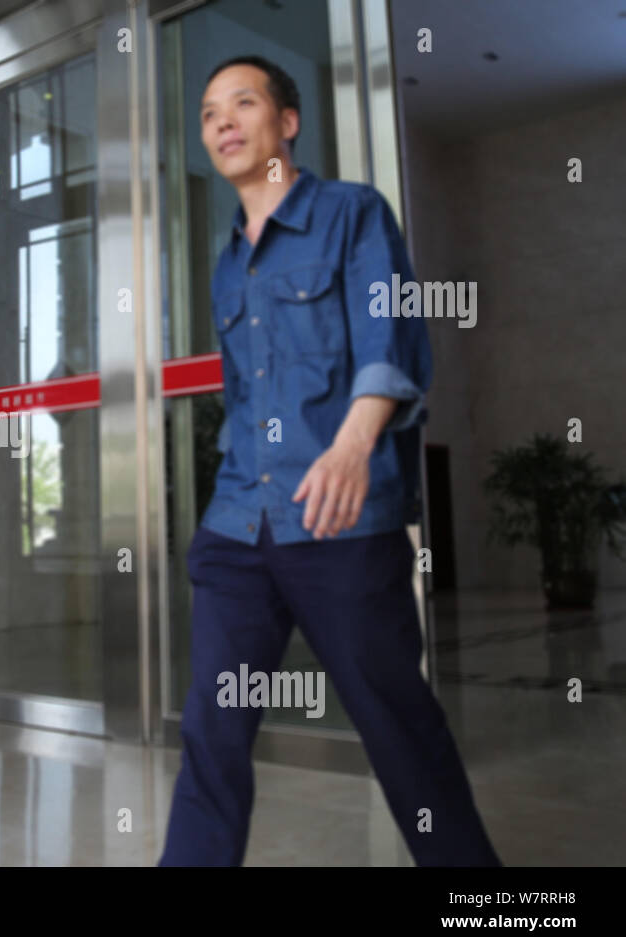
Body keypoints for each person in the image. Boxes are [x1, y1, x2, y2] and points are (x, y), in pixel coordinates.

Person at [160, 56, 499, 866]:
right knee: (210, 730)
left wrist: (352, 448)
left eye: (243, 103)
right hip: (240, 528)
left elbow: (395, 344)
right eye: (209, 114)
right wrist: (220, 506)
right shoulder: (226, 262)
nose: (223, 123)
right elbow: (244, 398)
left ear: (288, 121)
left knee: (400, 730)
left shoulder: (353, 213)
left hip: (341, 520)